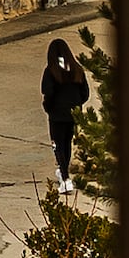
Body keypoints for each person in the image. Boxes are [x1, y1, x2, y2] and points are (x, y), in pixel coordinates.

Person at [38, 39, 91, 186]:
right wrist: (76, 105)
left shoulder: (51, 71)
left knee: (57, 144)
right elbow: (85, 93)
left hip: (57, 115)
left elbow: (48, 93)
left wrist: (48, 108)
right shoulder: (77, 69)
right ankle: (64, 172)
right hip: (73, 114)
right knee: (67, 143)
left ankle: (65, 176)